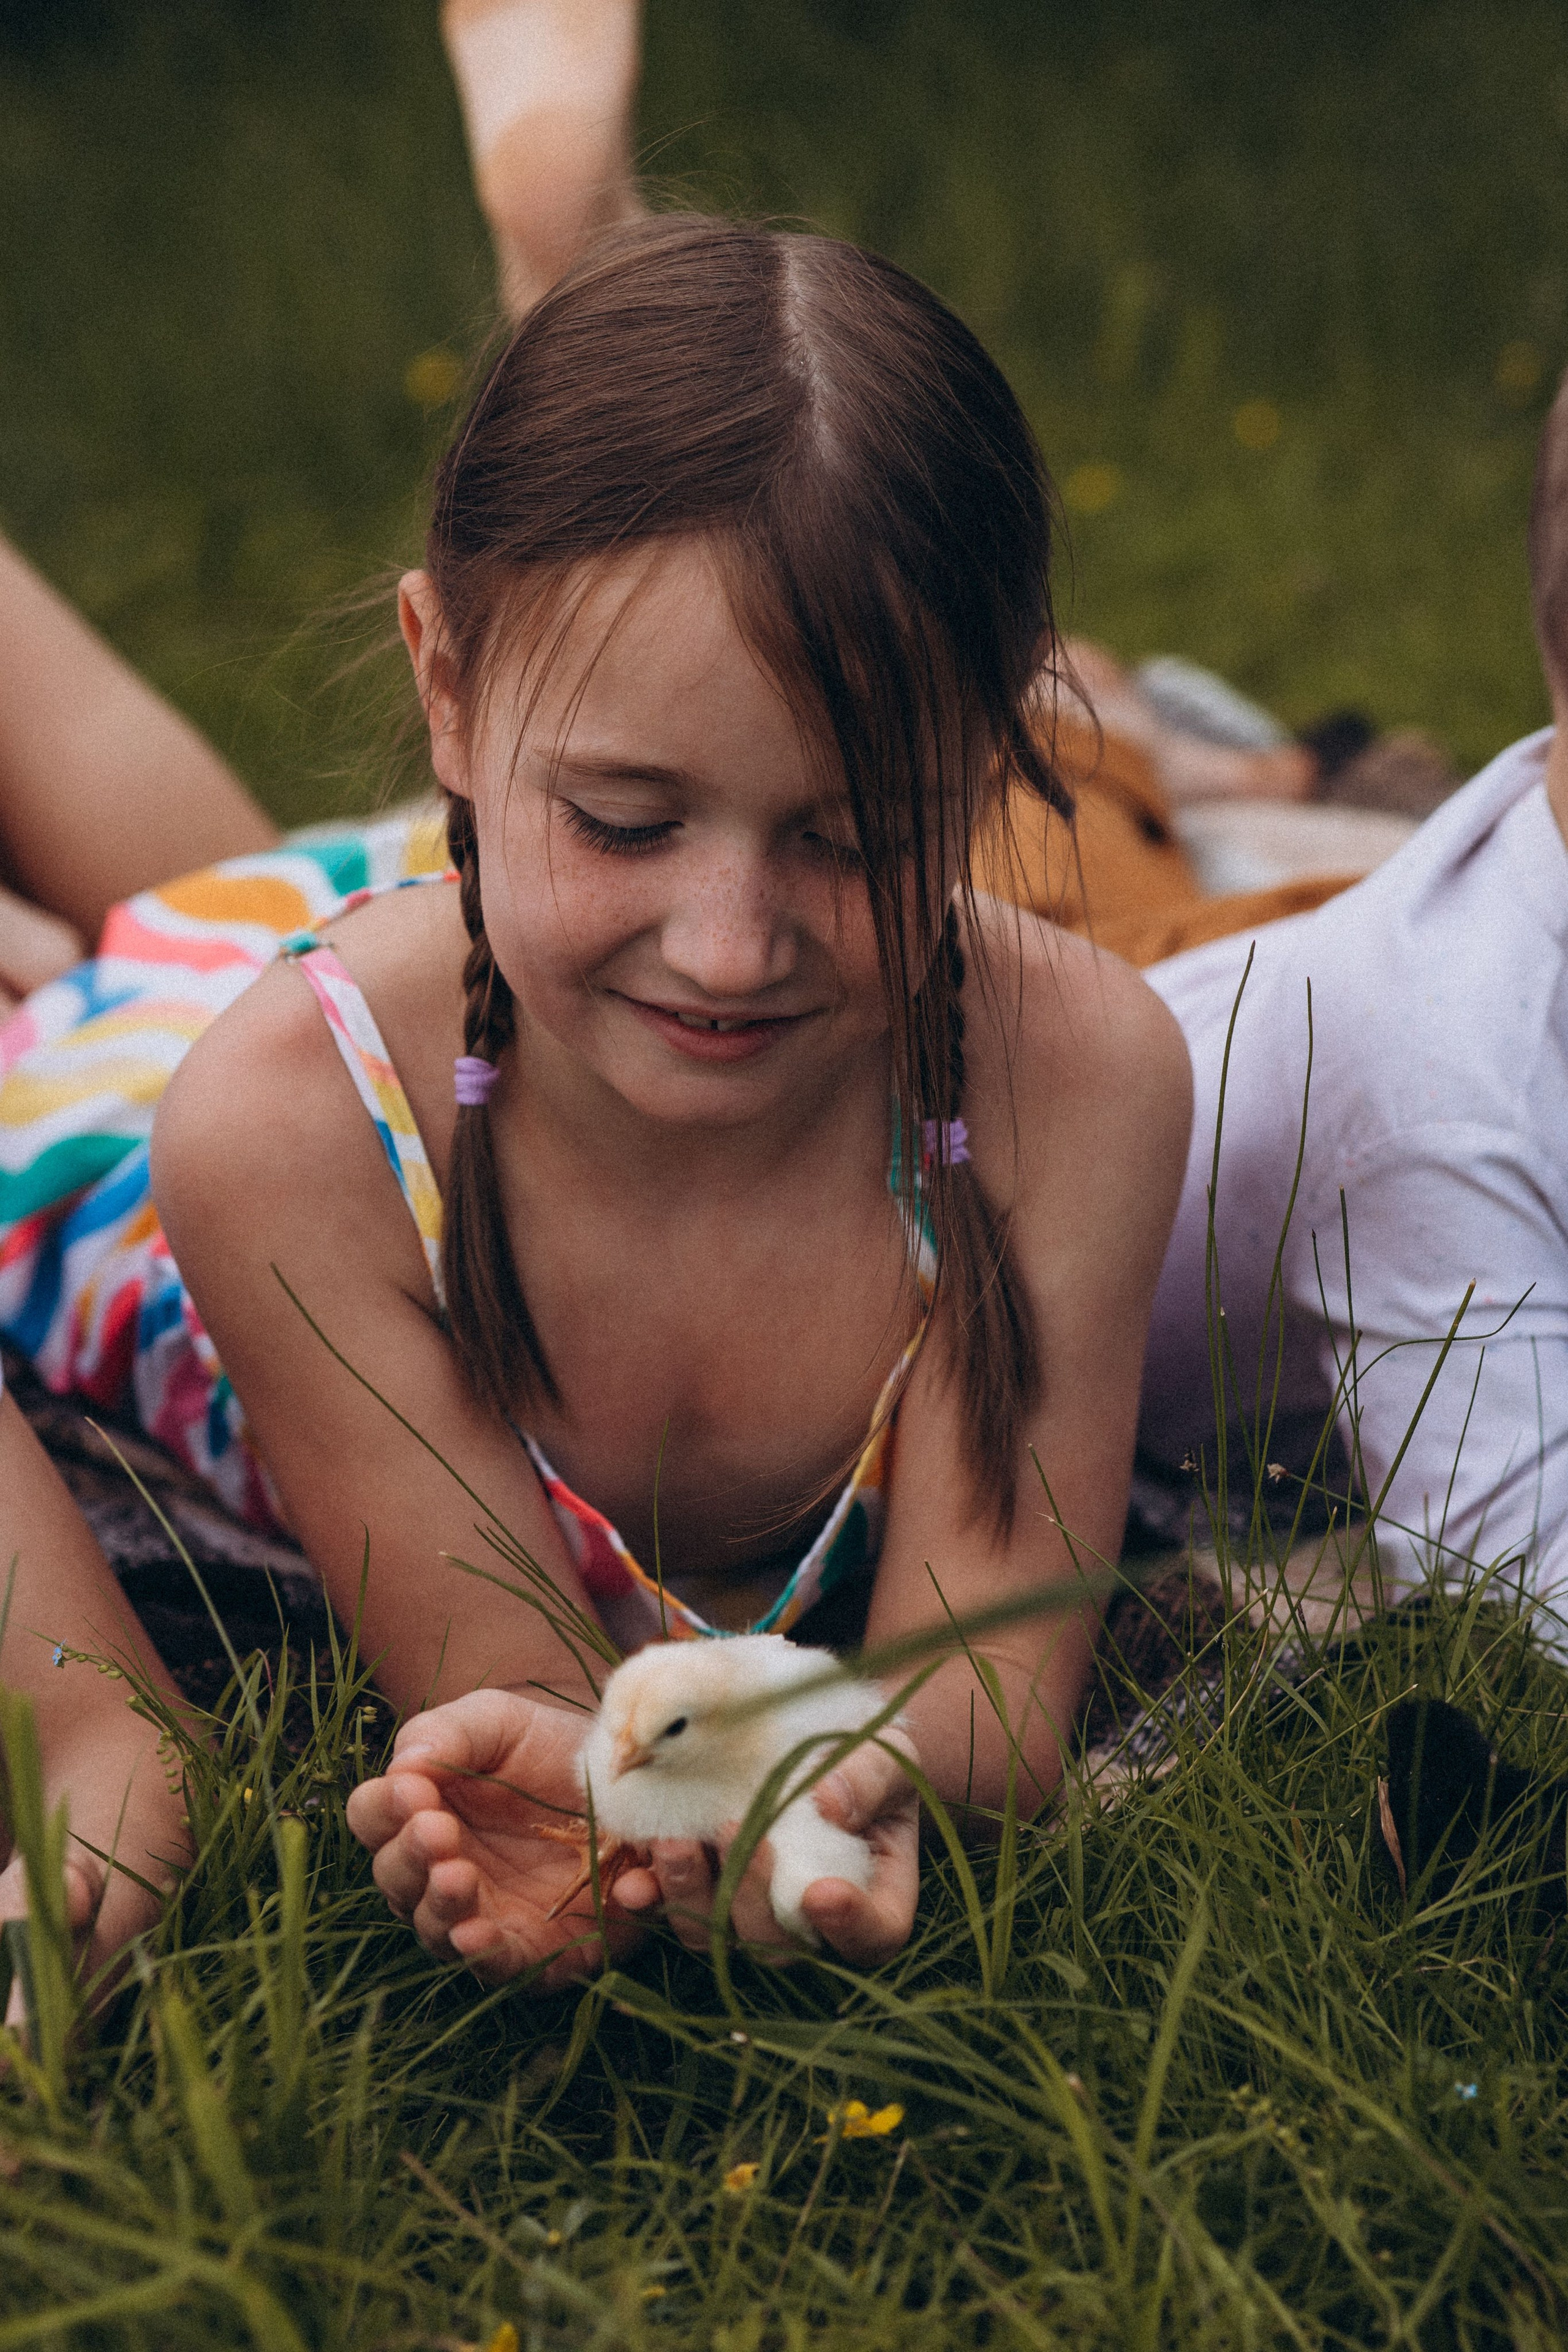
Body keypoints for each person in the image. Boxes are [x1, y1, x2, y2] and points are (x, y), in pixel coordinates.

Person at [0, 206, 1189, 1988]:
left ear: (1002, 751)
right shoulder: (278, 1133)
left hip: (499, 965)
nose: (729, 948)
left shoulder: (1072, 1080)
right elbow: (527, 1692)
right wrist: (635, 1799)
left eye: (852, 834)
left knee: (220, 884)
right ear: (448, 691)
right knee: (112, 958)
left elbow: (991, 1692)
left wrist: (792, 1798)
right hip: (279, 1085)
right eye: (632, 820)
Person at [1134, 366, 1568, 1602]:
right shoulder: (1443, 1095)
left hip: (1255, 941)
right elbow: (1518, 1605)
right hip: (996, 1086)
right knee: (1045, 757)